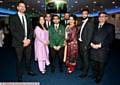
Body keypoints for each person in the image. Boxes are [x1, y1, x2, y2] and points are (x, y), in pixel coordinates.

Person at [9, 1, 35, 81]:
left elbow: (31, 30)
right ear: (17, 7)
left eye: (24, 6)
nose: (22, 8)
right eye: (21, 6)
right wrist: (23, 40)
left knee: (28, 58)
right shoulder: (13, 17)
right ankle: (19, 75)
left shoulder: (27, 17)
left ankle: (29, 71)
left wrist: (29, 39)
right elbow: (13, 31)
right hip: (18, 43)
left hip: (28, 42)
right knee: (19, 60)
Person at [90, 12, 115, 83]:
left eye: (103, 16)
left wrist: (101, 45)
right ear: (98, 18)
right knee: (93, 64)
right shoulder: (94, 25)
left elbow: (111, 39)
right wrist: (91, 43)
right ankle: (95, 74)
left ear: (106, 18)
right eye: (100, 16)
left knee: (101, 65)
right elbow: (91, 35)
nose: (101, 18)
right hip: (93, 48)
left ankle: (99, 77)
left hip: (103, 49)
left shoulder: (110, 26)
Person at [78, 9, 94, 79]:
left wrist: (86, 45)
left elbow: (90, 36)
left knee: (85, 59)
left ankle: (85, 73)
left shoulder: (90, 23)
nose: (84, 15)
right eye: (83, 13)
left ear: (88, 14)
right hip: (80, 43)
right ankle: (82, 67)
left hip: (85, 44)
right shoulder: (81, 22)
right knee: (81, 57)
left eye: (85, 13)